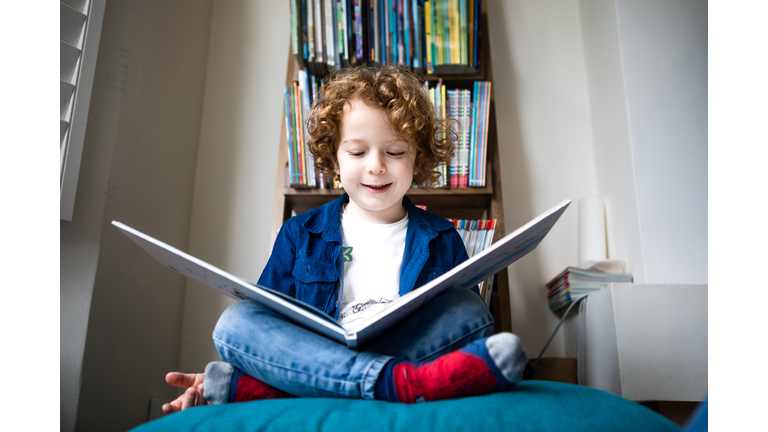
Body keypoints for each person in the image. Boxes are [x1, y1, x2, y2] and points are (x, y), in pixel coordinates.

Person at [162, 66, 528, 414]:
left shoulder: (444, 238)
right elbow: (270, 322)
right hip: (321, 355)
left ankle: (305, 388)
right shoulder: (299, 233)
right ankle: (397, 384)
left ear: (418, 159)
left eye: (395, 151)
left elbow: (459, 328)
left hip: (404, 349)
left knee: (470, 310)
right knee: (235, 322)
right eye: (356, 152)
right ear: (334, 161)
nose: (376, 166)